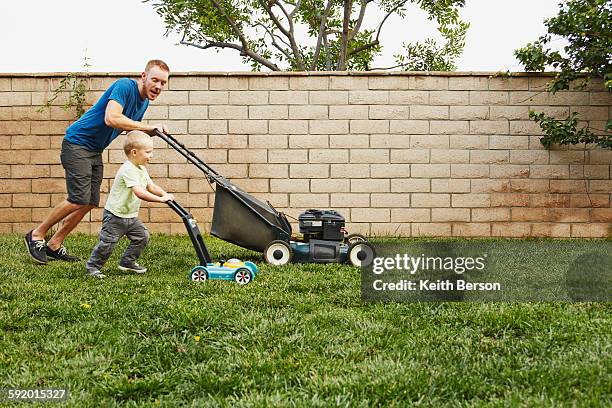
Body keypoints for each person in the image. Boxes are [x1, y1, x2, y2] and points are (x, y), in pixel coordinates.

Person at [24, 60, 170, 264]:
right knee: (77, 198)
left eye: (163, 83)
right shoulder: (125, 87)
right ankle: (36, 235)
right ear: (143, 77)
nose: (158, 86)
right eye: (155, 80)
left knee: (90, 201)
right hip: (77, 143)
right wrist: (146, 127)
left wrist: (149, 134)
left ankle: (54, 244)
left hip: (94, 149)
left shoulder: (143, 102)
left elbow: (128, 128)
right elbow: (112, 118)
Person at [86, 130, 174, 278]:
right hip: (115, 215)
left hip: (130, 216)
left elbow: (150, 186)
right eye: (148, 152)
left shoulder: (141, 169)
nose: (151, 155)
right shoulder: (127, 169)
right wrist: (160, 200)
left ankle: (127, 262)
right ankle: (93, 268)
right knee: (107, 243)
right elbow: (139, 192)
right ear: (134, 152)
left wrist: (165, 194)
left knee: (142, 237)